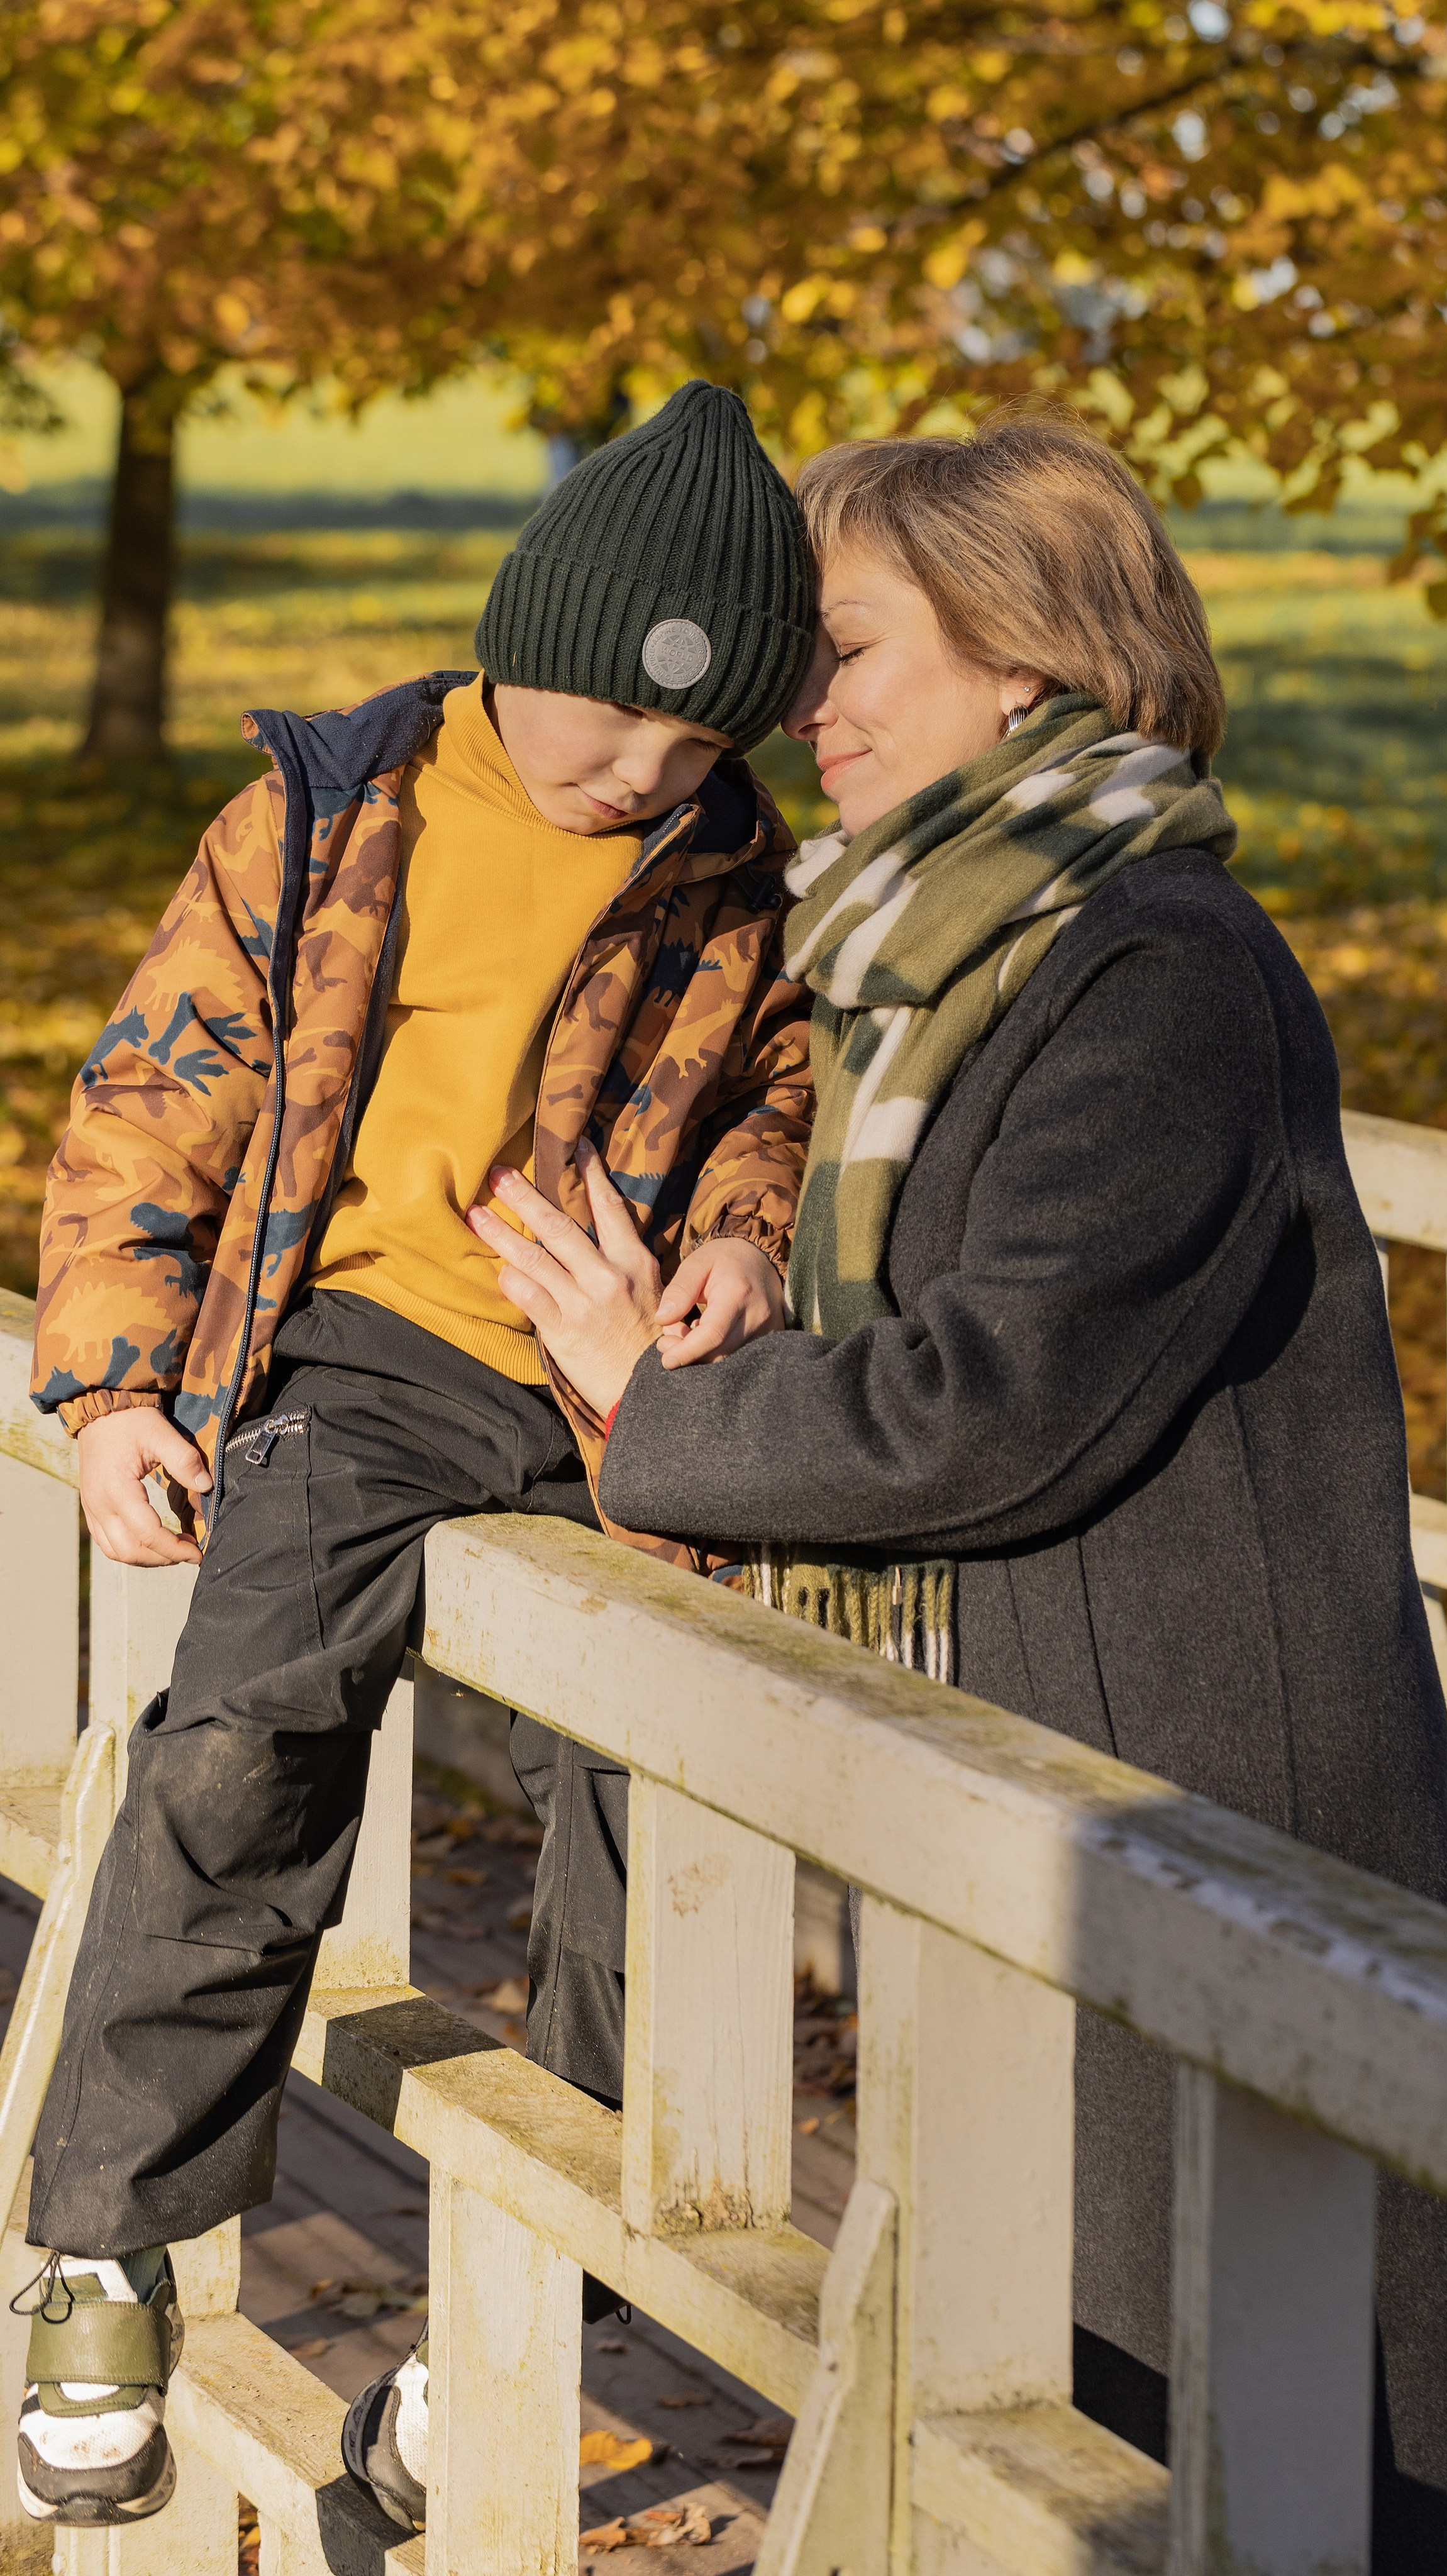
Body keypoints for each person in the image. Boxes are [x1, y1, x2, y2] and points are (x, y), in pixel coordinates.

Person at [469, 408, 1447, 2573]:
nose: (794, 708)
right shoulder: (924, 948)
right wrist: (734, 1283)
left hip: (1202, 1783)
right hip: (1047, 1748)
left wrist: (648, 1423)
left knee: (1243, 2430)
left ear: (1024, 659)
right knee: (1074, 2417)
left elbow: (994, 1397)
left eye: (841, 650)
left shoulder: (1157, 965)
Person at [18, 380, 817, 2533]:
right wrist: (107, 1391)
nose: (634, 775)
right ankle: (109, 2239)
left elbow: (770, 1087)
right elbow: (152, 1088)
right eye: (603, 726)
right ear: (512, 638)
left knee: (670, 1804)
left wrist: (743, 1239)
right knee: (240, 1745)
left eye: (690, 749)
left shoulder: (726, 860)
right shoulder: (335, 807)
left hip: (605, 1383)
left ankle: (521, 2320)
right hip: (359, 1348)